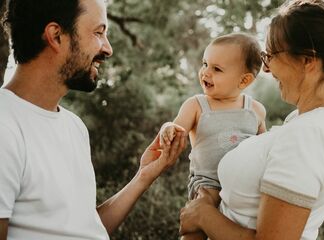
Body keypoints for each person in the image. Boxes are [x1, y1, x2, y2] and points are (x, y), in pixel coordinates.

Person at [0, 0, 186, 239]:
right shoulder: (5, 125)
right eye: (98, 33)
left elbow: (86, 228)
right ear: (56, 36)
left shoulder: (74, 126)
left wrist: (144, 176)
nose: (108, 49)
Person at [179, 0, 324, 239]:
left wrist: (203, 215)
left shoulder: (307, 136)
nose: (265, 69)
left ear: (307, 60)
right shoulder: (322, 119)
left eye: (270, 55)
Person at [160, 33, 266, 239]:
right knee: (197, 222)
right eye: (205, 64)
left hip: (243, 184)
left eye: (216, 69)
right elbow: (177, 128)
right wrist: (168, 127)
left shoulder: (256, 110)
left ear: (244, 80)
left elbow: (262, 149)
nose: (205, 72)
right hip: (209, 184)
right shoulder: (197, 105)